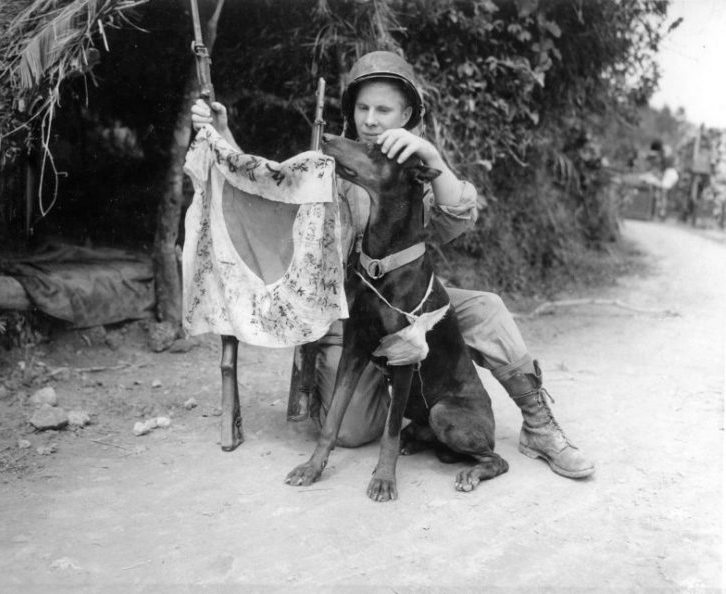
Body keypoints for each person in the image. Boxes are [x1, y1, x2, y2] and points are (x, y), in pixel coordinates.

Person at [191, 50, 595, 479]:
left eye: (383, 109)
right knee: (350, 432)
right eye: (363, 108)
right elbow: (266, 194)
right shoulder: (332, 166)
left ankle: (539, 426)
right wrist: (224, 135)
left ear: (405, 115)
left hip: (410, 307)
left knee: (487, 308)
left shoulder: (412, 172)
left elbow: (457, 219)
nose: (370, 118)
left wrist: (434, 160)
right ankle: (407, 406)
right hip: (350, 317)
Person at [640, 140, 679, 219]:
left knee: (663, 192)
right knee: (660, 192)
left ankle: (662, 211)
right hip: (668, 174)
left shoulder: (665, 155)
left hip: (670, 174)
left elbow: (662, 162)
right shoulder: (663, 155)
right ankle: (659, 211)